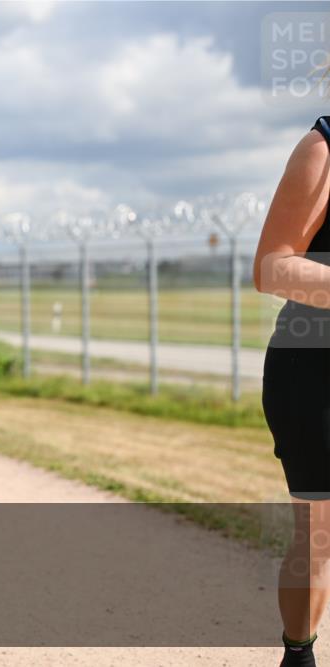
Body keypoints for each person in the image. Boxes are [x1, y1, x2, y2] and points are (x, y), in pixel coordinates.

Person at [254, 114, 330, 667]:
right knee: (320, 535)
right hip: (315, 371)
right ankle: (298, 654)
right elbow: (273, 266)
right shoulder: (323, 147)